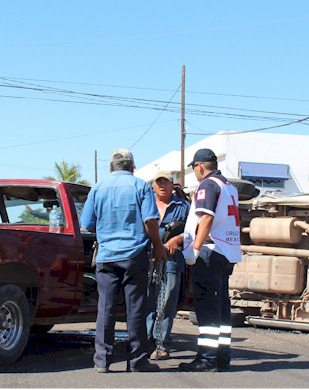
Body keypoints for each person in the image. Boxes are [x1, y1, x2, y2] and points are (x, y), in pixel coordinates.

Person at [80, 149, 166, 373]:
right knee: (135, 308)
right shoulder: (141, 187)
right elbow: (150, 221)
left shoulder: (97, 188)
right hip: (134, 255)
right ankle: (137, 361)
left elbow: (87, 224)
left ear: (110, 168)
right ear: (132, 167)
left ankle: (102, 361)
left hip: (106, 257)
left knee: (105, 308)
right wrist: (158, 246)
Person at [165, 148, 242, 372]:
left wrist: (195, 249)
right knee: (221, 308)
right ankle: (222, 357)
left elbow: (206, 217)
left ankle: (207, 359)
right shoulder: (229, 187)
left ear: (199, 166)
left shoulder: (208, 185)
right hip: (227, 252)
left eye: (194, 168)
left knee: (207, 308)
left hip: (210, 251)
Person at [145, 171, 190, 361]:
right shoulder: (146, 204)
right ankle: (145, 342)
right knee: (147, 299)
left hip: (172, 259)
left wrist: (178, 239)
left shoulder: (184, 206)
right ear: (153, 186)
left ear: (173, 186)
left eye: (166, 182)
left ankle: (161, 343)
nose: (162, 185)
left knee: (167, 301)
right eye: (159, 182)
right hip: (147, 258)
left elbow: (194, 231)